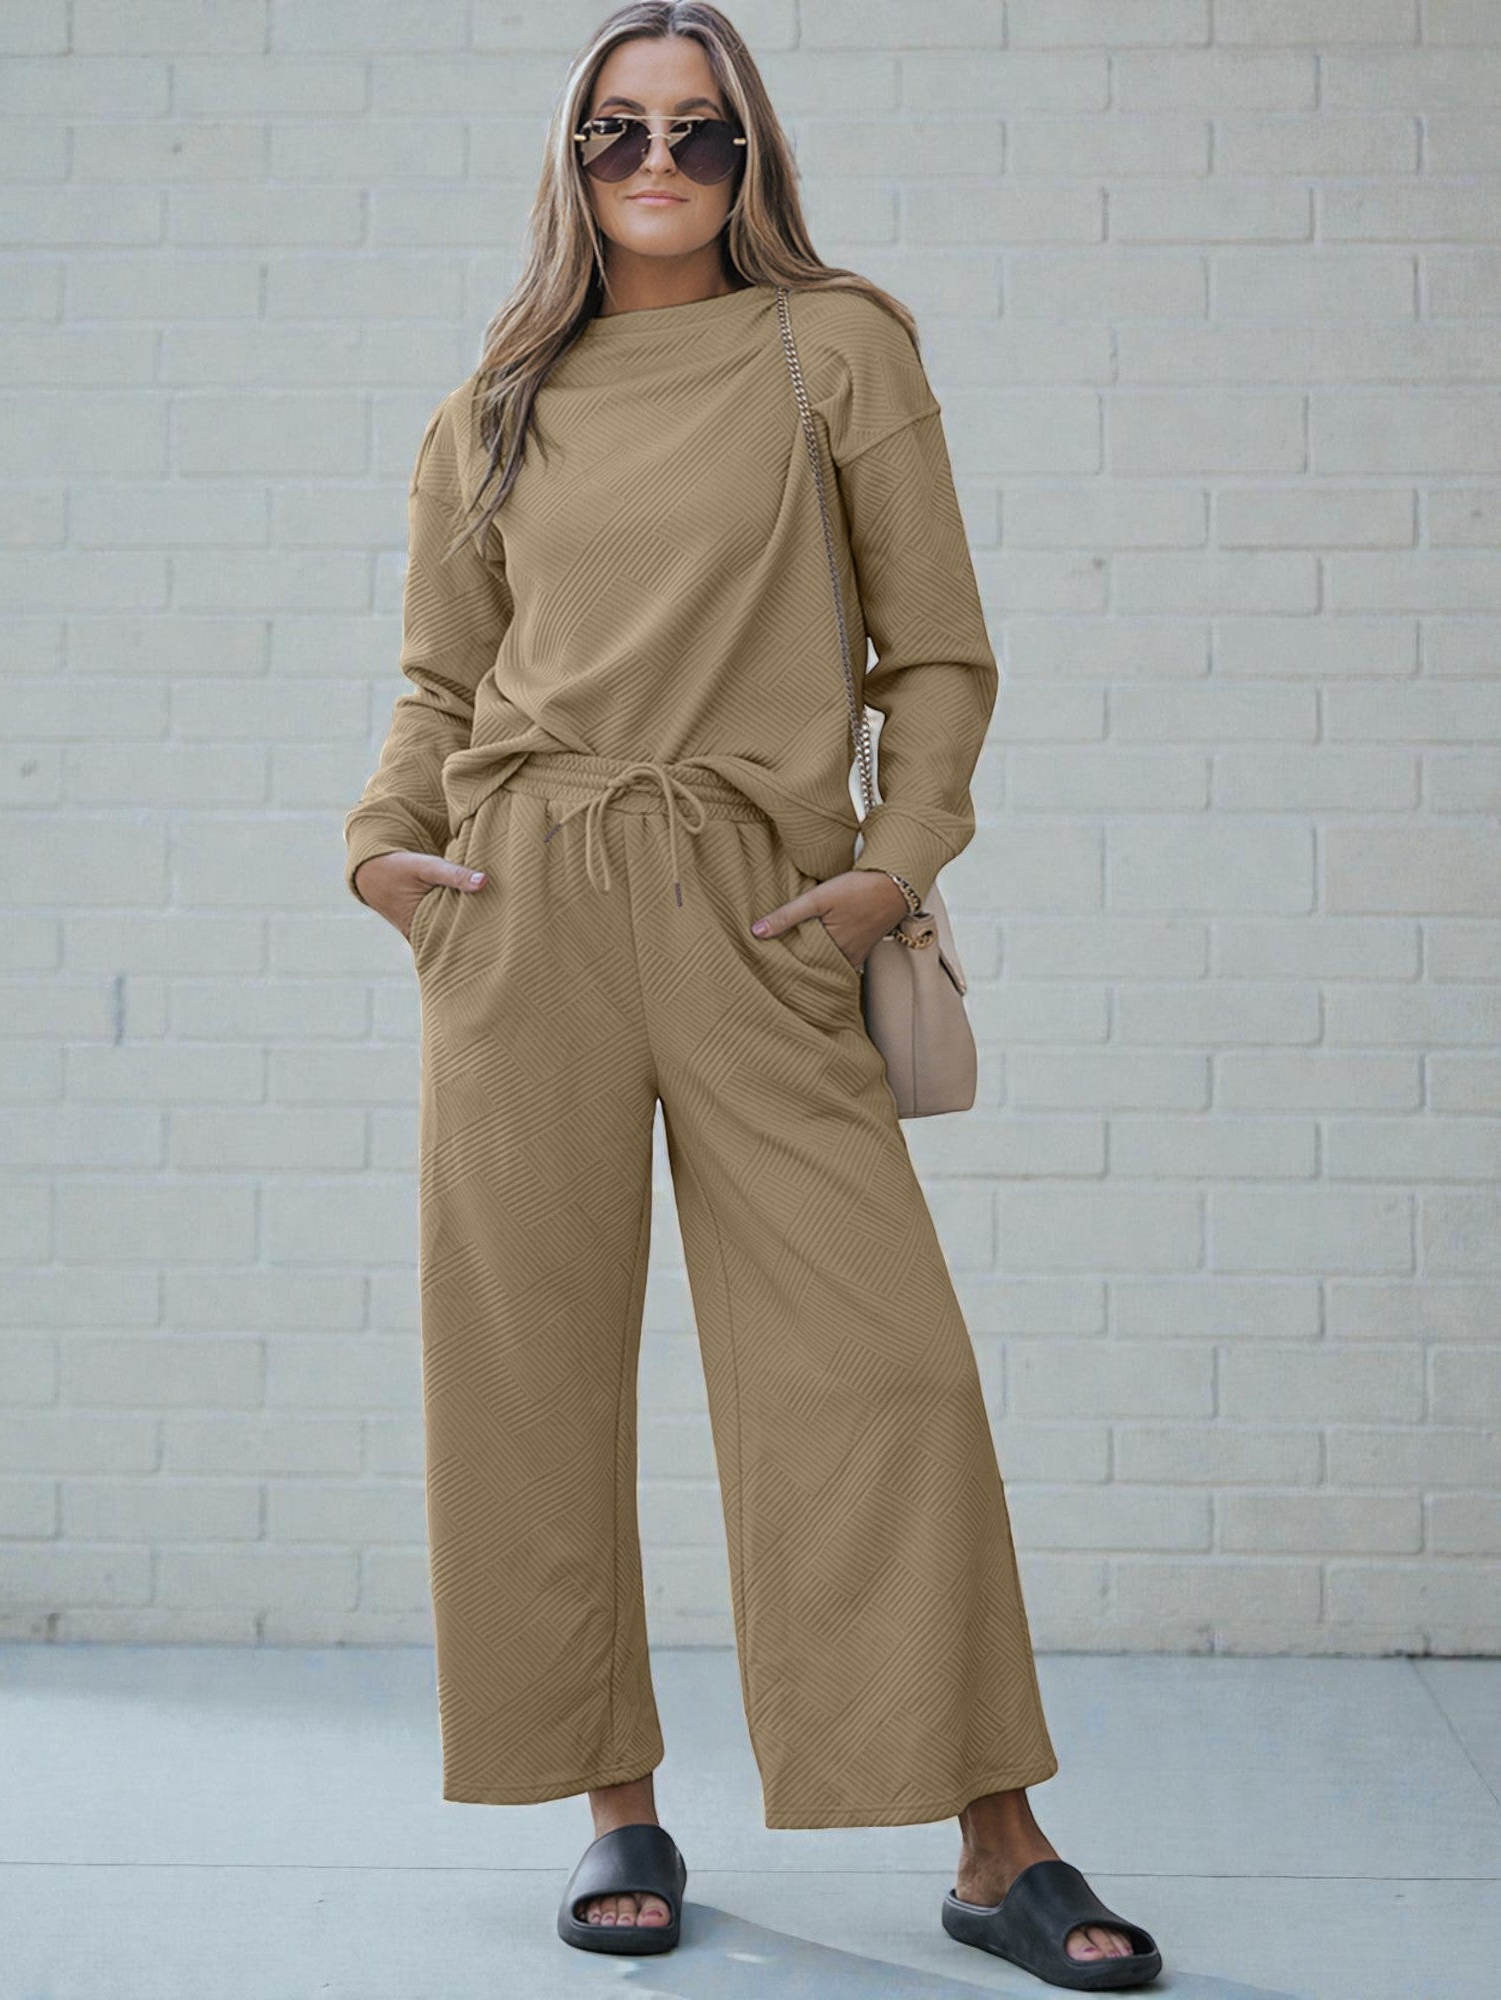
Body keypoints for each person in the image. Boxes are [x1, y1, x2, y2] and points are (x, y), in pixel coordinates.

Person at [343, 4, 1161, 1988]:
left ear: (749, 159)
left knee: (877, 1367)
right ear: (570, 152)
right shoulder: (498, 404)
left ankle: (995, 1836)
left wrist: (901, 854)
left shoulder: (834, 351)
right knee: (528, 1368)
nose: (657, 162)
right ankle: (612, 1796)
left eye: (698, 135)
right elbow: (440, 682)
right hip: (518, 898)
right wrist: (386, 844)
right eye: (620, 129)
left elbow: (936, 648)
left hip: (759, 904)